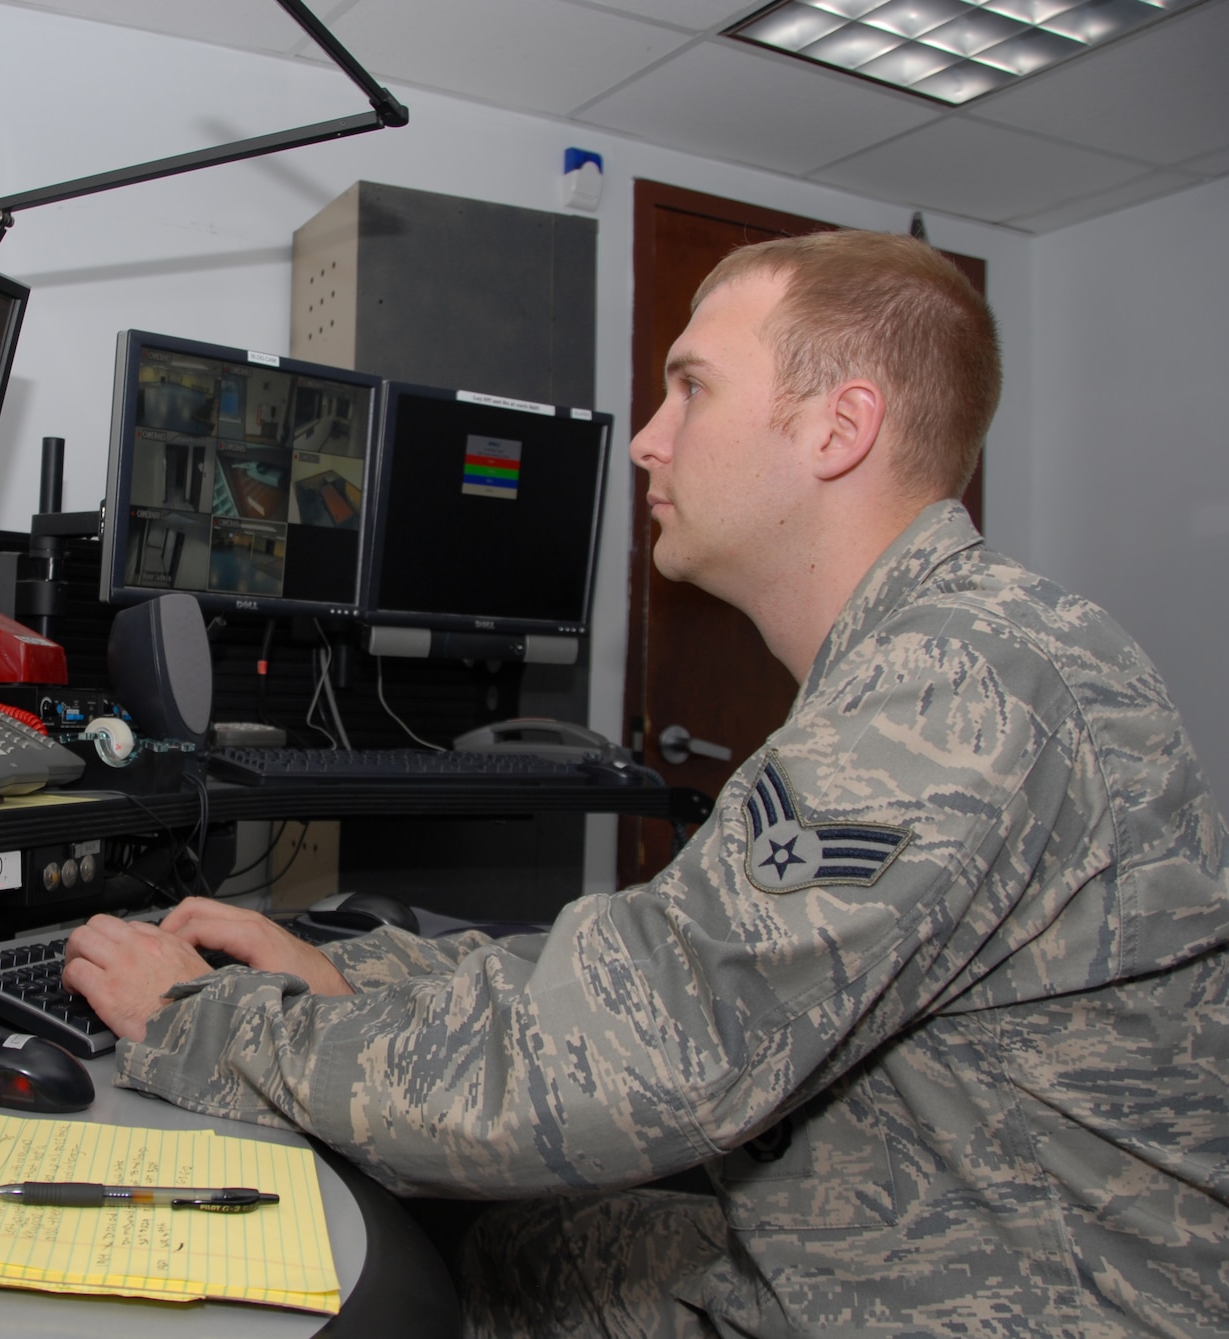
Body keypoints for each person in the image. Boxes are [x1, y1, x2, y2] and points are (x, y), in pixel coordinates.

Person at [61, 231, 1229, 1337]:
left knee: (424, 1249)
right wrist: (352, 977)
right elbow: (651, 960)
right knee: (460, 1213)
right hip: (931, 1235)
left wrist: (197, 1022)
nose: (645, 439)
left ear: (837, 428)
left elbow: (623, 1063)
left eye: (693, 388)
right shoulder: (961, 647)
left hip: (997, 1296)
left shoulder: (950, 681)